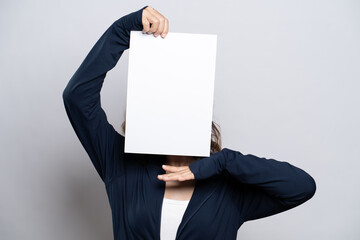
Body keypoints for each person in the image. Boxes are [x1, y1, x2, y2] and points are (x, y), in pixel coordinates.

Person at [62, 5, 317, 240]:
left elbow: (302, 187)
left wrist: (223, 162)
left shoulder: (227, 187)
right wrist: (122, 30)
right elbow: (76, 98)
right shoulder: (119, 163)